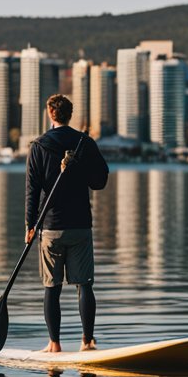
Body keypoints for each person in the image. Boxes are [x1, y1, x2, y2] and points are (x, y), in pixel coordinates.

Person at [26, 94, 110, 352]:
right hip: (80, 225)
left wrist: (30, 225)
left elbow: (32, 189)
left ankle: (54, 344)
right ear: (69, 114)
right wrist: (80, 170)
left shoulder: (38, 146)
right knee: (84, 284)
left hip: (50, 226)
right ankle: (87, 342)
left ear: (51, 113)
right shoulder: (85, 142)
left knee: (52, 287)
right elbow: (100, 181)